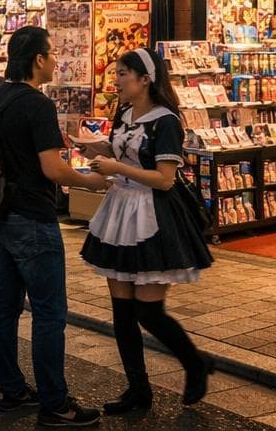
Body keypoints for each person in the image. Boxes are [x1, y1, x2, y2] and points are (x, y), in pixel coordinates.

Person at [0, 25, 107, 427]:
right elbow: (53, 169)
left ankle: (12, 392)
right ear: (38, 59)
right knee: (49, 312)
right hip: (32, 220)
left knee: (4, 306)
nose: (56, 60)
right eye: (52, 53)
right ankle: (56, 403)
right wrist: (93, 180)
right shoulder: (36, 104)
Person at [79, 49, 214, 413]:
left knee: (149, 312)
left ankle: (195, 363)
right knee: (122, 311)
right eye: (117, 73)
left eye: (123, 73)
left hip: (152, 215)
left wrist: (113, 164)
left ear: (145, 79)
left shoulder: (166, 121)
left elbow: (165, 179)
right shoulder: (123, 112)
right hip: (120, 211)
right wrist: (97, 150)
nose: (117, 80)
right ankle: (138, 391)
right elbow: (123, 154)